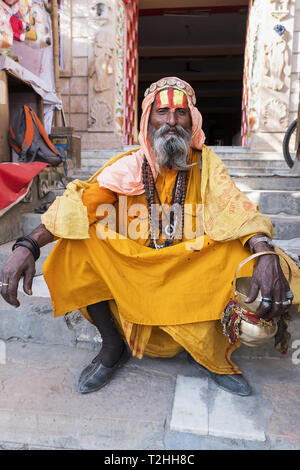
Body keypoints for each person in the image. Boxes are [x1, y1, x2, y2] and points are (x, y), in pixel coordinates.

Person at [1, 77, 299, 397]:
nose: (171, 121)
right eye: (162, 112)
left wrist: (263, 252)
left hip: (191, 269)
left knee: (247, 254)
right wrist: (28, 244)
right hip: (136, 271)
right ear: (148, 120)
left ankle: (209, 355)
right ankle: (112, 346)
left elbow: (234, 204)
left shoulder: (207, 165)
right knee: (77, 242)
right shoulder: (128, 167)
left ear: (191, 120)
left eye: (180, 113)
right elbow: (80, 204)